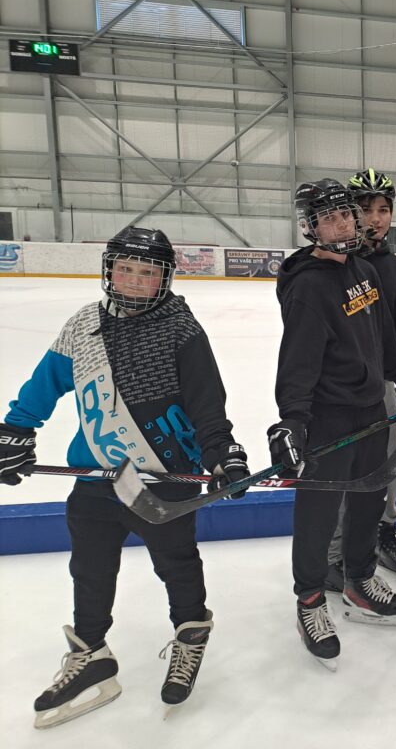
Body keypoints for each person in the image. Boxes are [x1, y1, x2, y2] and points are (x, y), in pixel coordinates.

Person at [0, 227, 248, 728]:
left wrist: (222, 455)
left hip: (162, 479)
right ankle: (91, 652)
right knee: (89, 570)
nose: (135, 280)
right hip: (97, 476)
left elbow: (207, 405)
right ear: (109, 270)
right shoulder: (84, 325)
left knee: (177, 564)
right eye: (126, 269)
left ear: (165, 278)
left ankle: (190, 632)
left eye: (148, 272)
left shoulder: (181, 330)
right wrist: (17, 429)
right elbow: (46, 382)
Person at [268, 180, 396, 670]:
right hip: (329, 418)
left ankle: (359, 577)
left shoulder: (364, 270)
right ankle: (309, 599)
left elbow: (385, 339)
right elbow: (297, 364)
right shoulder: (309, 287)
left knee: (368, 499)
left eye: (345, 215)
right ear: (310, 227)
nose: (341, 225)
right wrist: (293, 422)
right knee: (318, 515)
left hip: (371, 411)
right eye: (328, 219)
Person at [322, 168, 396, 584]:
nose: (375, 218)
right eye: (365, 209)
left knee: (388, 466)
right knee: (342, 471)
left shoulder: (392, 266)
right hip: (340, 391)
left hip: (384, 385)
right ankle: (334, 549)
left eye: (383, 209)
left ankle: (383, 530)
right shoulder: (333, 263)